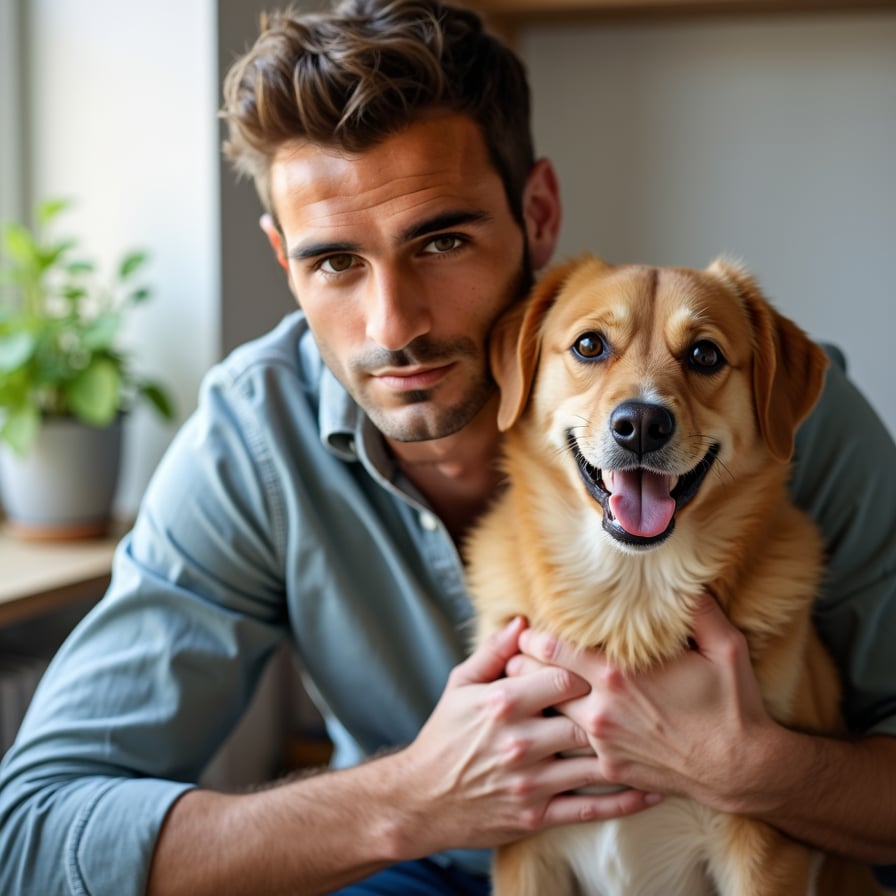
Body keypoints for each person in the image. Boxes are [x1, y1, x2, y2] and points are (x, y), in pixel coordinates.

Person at [1, 1, 894, 894]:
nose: (395, 325)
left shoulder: (774, 415)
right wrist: (415, 798)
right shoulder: (252, 441)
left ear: (537, 211)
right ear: (284, 260)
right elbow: (32, 834)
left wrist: (757, 772)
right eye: (334, 262)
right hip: (416, 867)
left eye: (443, 240)